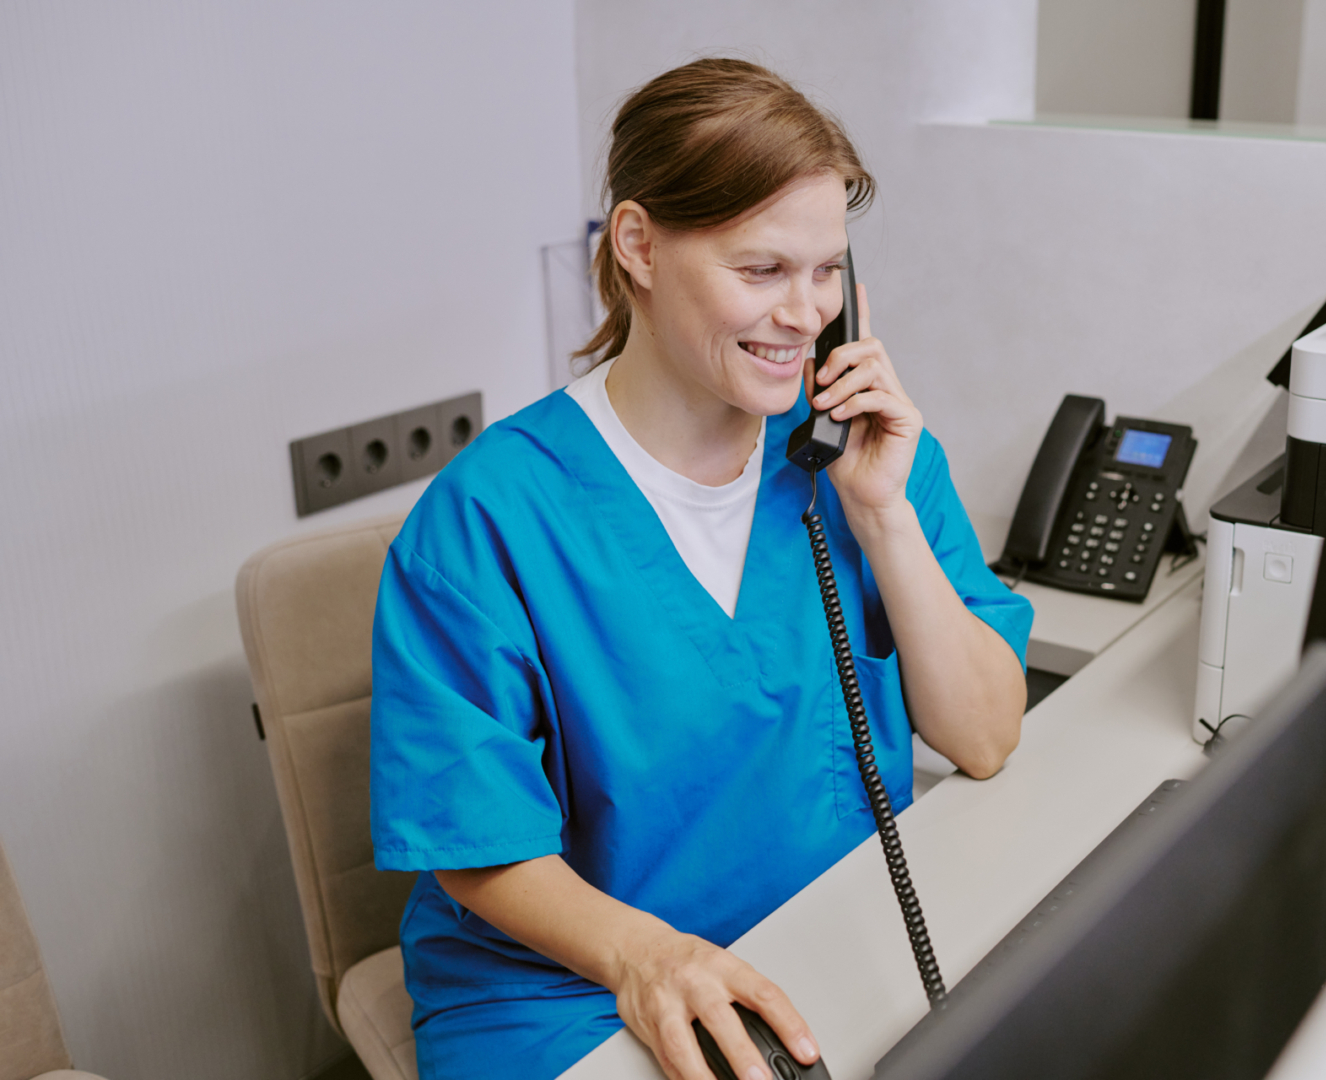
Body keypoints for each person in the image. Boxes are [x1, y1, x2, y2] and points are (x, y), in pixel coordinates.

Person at [369, 58, 1032, 1080]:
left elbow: (984, 738)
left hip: (813, 933)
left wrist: (885, 517)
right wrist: (644, 957)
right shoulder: (487, 519)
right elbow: (473, 843)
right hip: (576, 984)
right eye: (762, 270)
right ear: (637, 245)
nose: (807, 313)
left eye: (827, 272)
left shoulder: (864, 459)